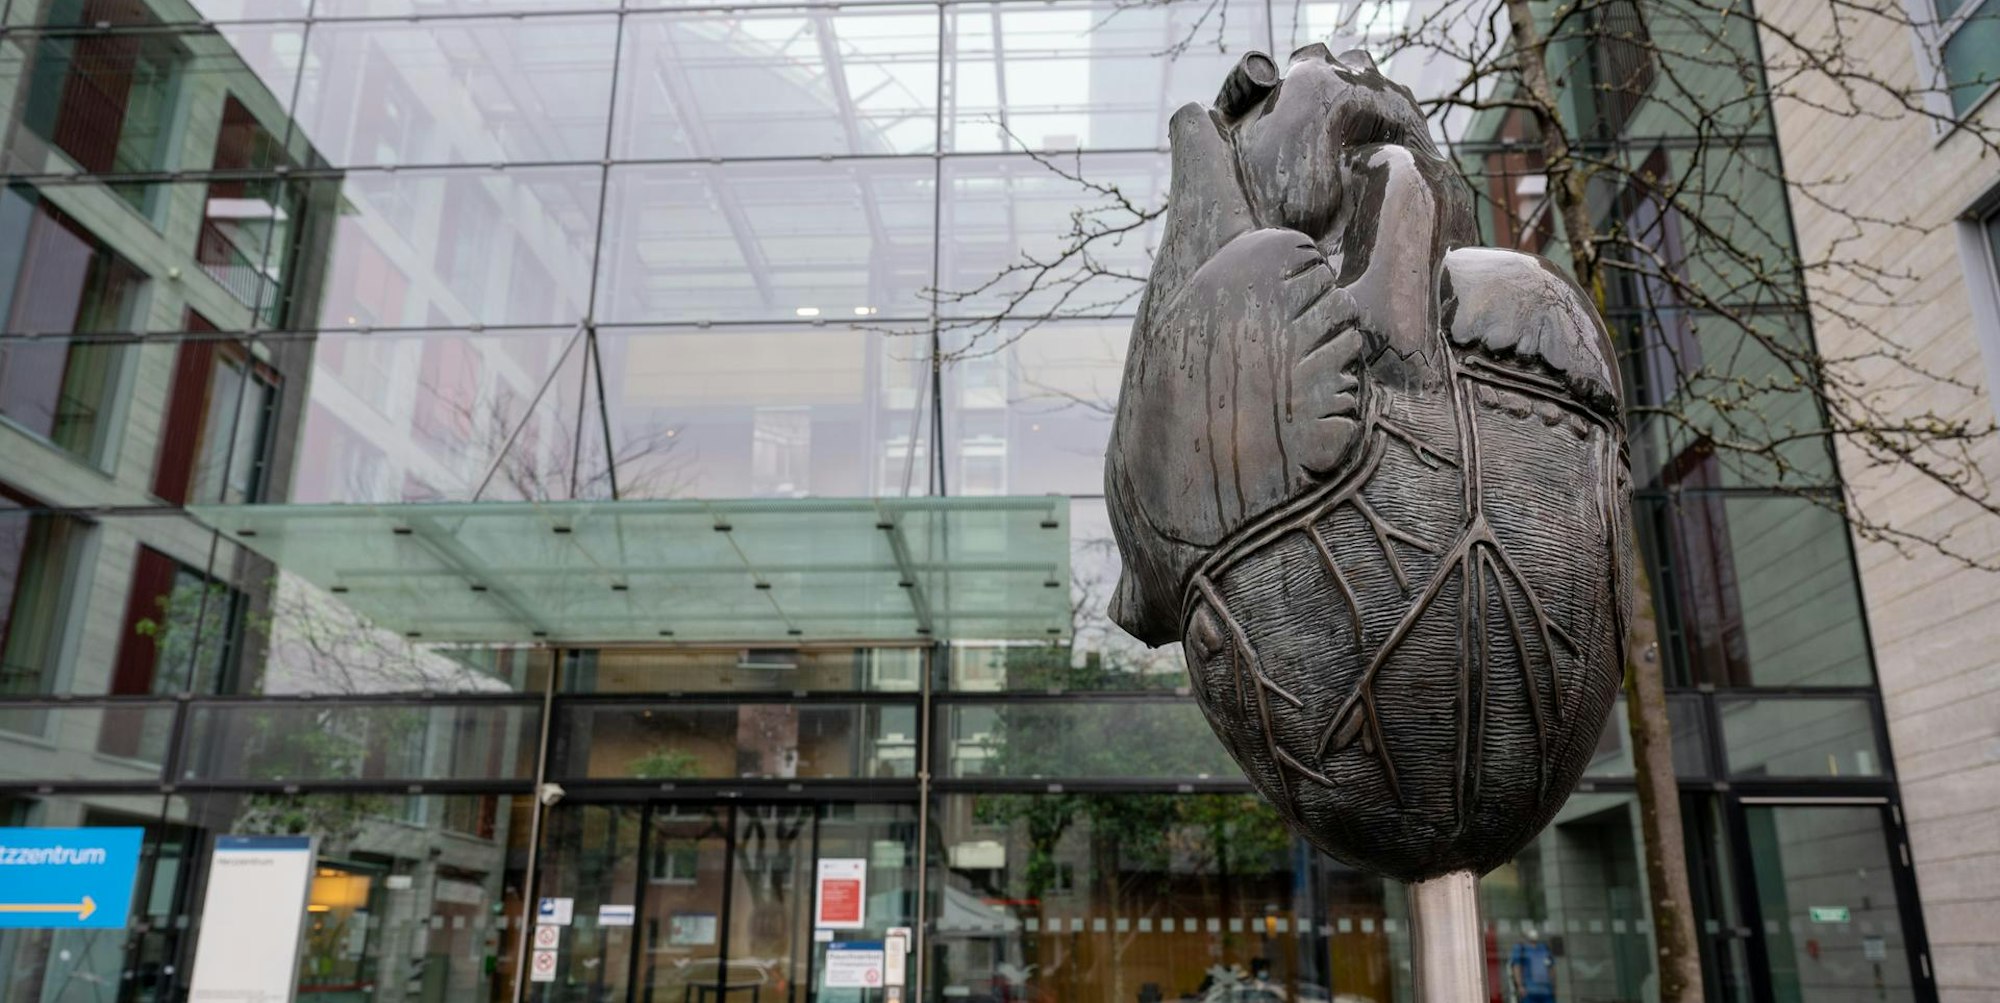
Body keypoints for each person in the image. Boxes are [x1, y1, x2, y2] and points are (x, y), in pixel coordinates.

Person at [1508, 926, 1556, 1003]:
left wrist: (1553, 986)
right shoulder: (1521, 948)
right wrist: (1520, 986)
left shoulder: (1543, 948)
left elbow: (1551, 968)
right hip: (1529, 991)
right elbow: (1517, 968)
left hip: (1546, 991)